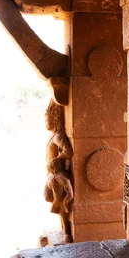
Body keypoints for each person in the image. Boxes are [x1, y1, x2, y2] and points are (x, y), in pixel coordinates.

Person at [44, 99, 74, 242]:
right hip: (52, 174)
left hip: (57, 174)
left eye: (47, 118)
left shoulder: (58, 136)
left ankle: (67, 232)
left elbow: (68, 151)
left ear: (54, 118)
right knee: (50, 198)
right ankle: (65, 230)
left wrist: (57, 159)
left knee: (60, 203)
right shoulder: (53, 136)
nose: (45, 121)